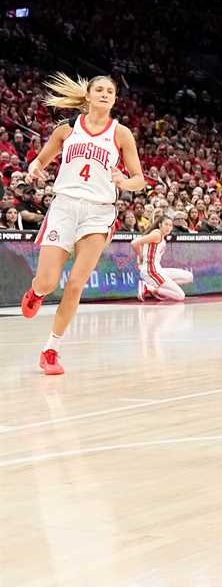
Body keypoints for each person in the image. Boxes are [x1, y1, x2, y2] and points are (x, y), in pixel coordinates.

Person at [21, 74, 147, 374]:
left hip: (98, 213)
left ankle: (51, 349)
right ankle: (37, 292)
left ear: (115, 100)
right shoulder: (67, 129)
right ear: (88, 96)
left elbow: (139, 179)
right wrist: (34, 169)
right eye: (99, 90)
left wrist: (124, 181)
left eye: (110, 92)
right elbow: (39, 161)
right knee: (49, 281)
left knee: (76, 283)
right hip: (64, 208)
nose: (105, 94)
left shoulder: (121, 134)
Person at [132, 211, 194, 301]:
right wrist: (140, 257)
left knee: (189, 277)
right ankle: (149, 288)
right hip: (152, 271)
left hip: (158, 269)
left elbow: (143, 245)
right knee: (180, 296)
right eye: (166, 224)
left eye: (170, 225)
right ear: (160, 225)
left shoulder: (161, 236)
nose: (168, 227)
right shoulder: (157, 234)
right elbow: (135, 243)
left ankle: (156, 289)